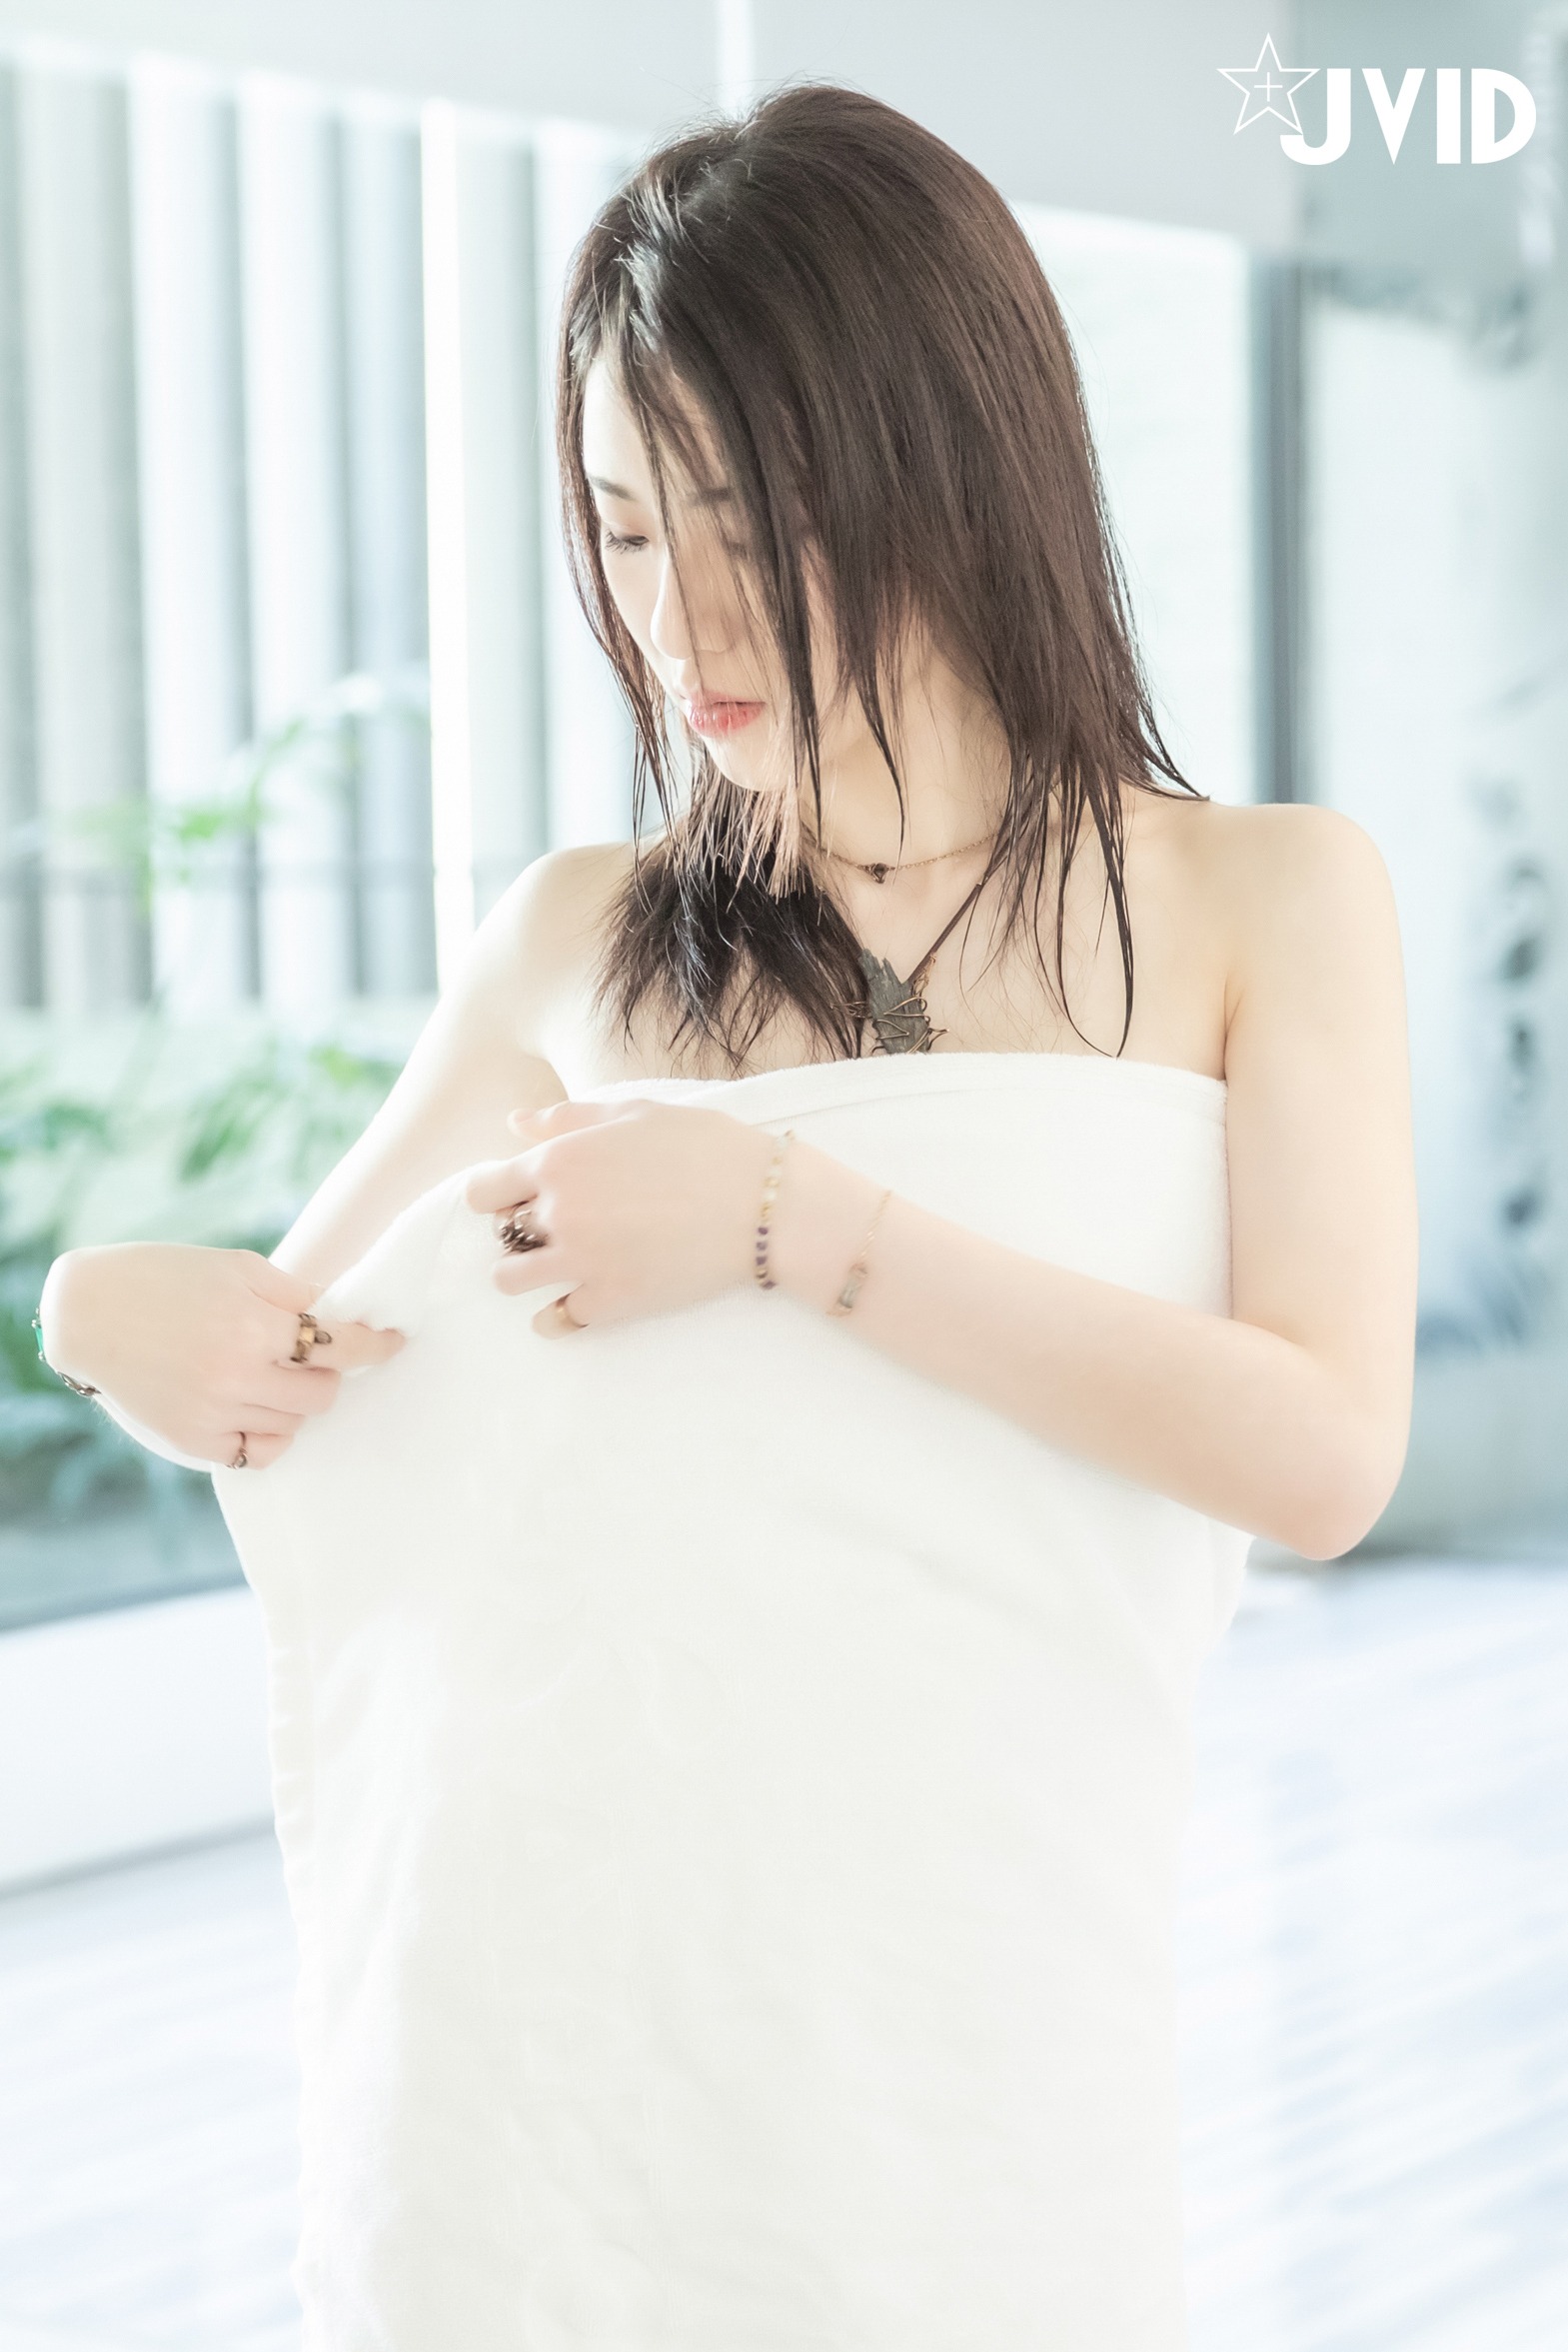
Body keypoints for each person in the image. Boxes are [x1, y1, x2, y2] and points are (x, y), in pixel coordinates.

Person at [38, 81, 1417, 2351]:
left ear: (946, 466)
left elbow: (1324, 1453)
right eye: (616, 524)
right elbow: (288, 1360)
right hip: (542, 2049)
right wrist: (112, 1321)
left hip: (968, 2009)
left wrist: (791, 1218)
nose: (675, 617)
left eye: (742, 521)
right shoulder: (573, 937)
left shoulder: (1260, 897)